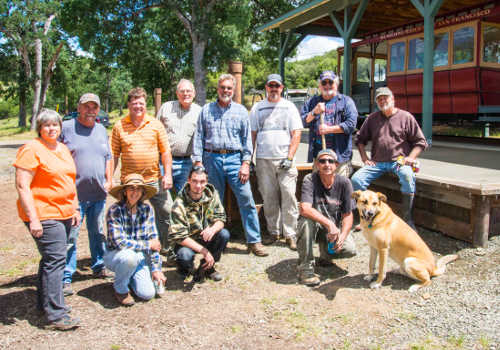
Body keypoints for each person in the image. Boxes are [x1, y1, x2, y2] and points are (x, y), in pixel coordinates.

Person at [14, 109, 81, 330]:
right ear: (39, 128)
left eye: (55, 125)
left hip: (64, 212)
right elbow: (23, 186)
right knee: (56, 260)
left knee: (51, 259)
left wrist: (75, 208)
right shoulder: (32, 149)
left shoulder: (62, 148)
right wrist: (33, 219)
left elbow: (69, 181)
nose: (52, 129)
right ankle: (56, 315)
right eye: (47, 125)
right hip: (44, 213)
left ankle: (46, 303)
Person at [193, 74, 268, 257]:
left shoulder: (242, 111)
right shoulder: (206, 110)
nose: (226, 91)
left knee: (246, 199)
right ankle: (214, 240)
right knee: (211, 202)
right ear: (217, 89)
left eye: (229, 88)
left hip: (235, 160)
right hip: (211, 159)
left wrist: (245, 163)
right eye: (222, 87)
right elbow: (198, 137)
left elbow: (247, 141)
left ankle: (254, 241)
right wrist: (198, 163)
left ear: (234, 90)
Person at [351, 87, 427, 228]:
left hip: (398, 162)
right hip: (377, 163)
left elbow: (421, 142)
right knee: (356, 179)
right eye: (379, 99)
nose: (382, 100)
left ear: (393, 99)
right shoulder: (372, 118)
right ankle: (362, 217)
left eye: (385, 97)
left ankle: (407, 219)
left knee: (407, 176)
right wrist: (364, 158)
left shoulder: (406, 117)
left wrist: (410, 157)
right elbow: (359, 139)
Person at [60, 93, 113, 297]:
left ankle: (99, 265)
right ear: (79, 107)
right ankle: (65, 275)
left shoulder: (101, 129)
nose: (91, 110)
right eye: (86, 106)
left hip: (98, 193)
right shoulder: (66, 128)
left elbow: (108, 156)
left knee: (97, 232)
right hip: (73, 195)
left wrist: (109, 179)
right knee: (71, 235)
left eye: (94, 107)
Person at [111, 87, 174, 255]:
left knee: (167, 211)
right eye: (134, 103)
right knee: (130, 216)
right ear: (129, 105)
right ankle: (132, 250)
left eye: (141, 103)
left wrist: (167, 174)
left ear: (146, 104)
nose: (138, 106)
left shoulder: (155, 124)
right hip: (130, 182)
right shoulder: (119, 126)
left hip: (153, 178)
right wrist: (109, 178)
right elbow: (114, 155)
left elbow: (165, 152)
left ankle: (167, 249)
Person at [250, 73, 302, 251]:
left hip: (285, 160)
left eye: (277, 86)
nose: (273, 89)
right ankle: (274, 232)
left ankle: (291, 234)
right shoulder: (257, 107)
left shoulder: (289, 107)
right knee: (269, 197)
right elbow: (253, 134)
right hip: (264, 159)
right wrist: (249, 158)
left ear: (282, 88)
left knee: (289, 196)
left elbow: (296, 133)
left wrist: (289, 157)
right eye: (270, 85)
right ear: (266, 87)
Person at [104, 174, 167, 306]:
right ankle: (120, 289)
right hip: (116, 255)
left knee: (147, 294)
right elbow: (119, 242)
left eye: (139, 189)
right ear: (124, 191)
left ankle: (129, 277)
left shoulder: (146, 209)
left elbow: (154, 241)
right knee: (129, 257)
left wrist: (156, 269)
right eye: (131, 188)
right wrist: (147, 245)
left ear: (143, 192)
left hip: (138, 256)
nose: (135, 192)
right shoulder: (115, 210)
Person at [297, 149, 357, 286]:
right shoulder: (310, 179)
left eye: (331, 161)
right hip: (317, 226)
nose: (327, 164)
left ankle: (325, 255)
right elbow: (305, 208)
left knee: (349, 249)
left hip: (333, 230)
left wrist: (342, 235)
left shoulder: (345, 183)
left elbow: (348, 215)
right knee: (306, 222)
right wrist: (329, 224)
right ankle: (305, 269)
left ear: (336, 165)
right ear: (317, 164)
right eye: (322, 161)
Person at [169, 166, 229, 282]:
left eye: (202, 182)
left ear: (206, 182)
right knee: (185, 255)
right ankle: (185, 268)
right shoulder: (179, 203)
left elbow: (221, 219)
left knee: (224, 234)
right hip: (186, 242)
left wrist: (212, 229)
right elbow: (179, 236)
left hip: (204, 236)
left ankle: (207, 268)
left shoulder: (212, 194)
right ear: (189, 180)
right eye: (195, 181)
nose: (198, 186)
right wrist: (204, 251)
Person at [300, 70, 358, 177]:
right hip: (319, 157)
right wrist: (314, 112)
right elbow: (302, 122)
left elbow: (351, 125)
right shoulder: (312, 102)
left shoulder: (346, 101)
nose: (327, 86)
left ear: (336, 84)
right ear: (319, 86)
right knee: (318, 189)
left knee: (339, 188)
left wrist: (329, 129)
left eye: (330, 82)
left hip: (339, 158)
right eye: (324, 83)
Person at [157, 79, 202, 194]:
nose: (185, 94)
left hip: (186, 163)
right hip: (164, 161)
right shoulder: (166, 107)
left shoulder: (200, 112)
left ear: (194, 93)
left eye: (188, 91)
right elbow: (155, 132)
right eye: (182, 91)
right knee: (162, 199)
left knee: (184, 198)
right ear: (177, 93)